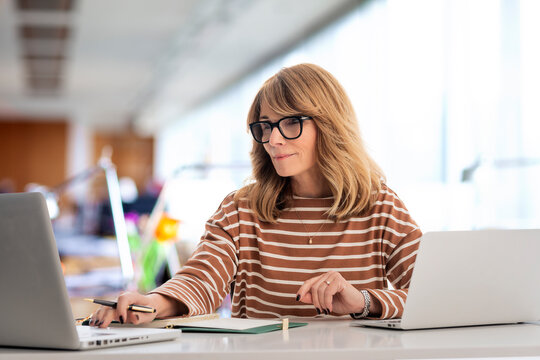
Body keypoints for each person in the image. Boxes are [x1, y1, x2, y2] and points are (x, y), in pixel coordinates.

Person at [90, 63, 422, 327]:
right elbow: (200, 281)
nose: (273, 140)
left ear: (330, 125)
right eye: (265, 126)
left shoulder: (381, 208)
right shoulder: (241, 210)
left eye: (291, 122)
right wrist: (153, 303)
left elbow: (435, 296)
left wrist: (363, 301)